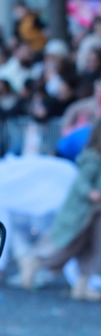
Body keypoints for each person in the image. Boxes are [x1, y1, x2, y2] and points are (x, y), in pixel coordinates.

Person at [20, 119, 101, 301]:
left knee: (92, 250)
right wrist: (91, 193)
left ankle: (83, 285)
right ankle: (34, 262)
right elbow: (81, 182)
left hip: (95, 214)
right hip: (82, 213)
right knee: (65, 246)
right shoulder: (93, 158)